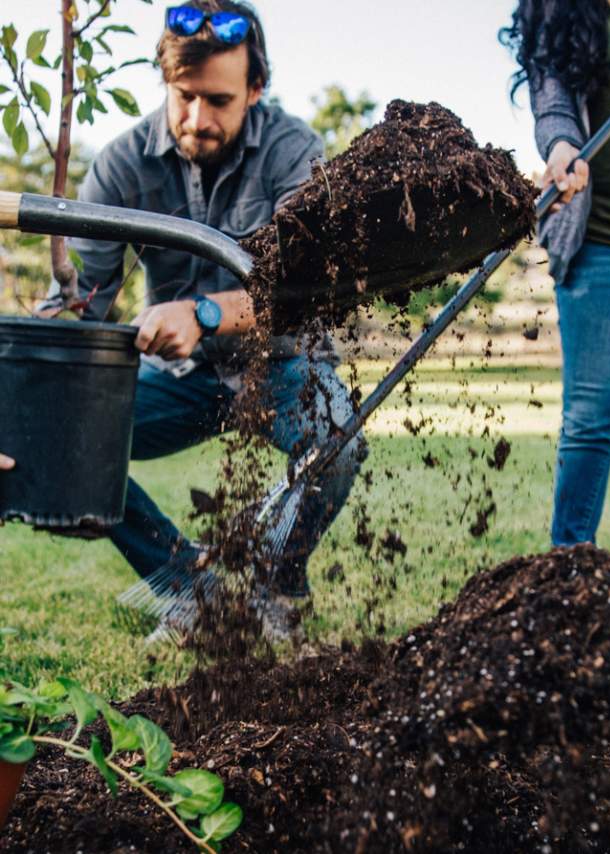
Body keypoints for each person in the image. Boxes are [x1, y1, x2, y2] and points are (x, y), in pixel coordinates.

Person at [13, 0, 365, 641]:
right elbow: (81, 296)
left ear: (255, 89)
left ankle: (274, 585)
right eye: (183, 96)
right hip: (182, 376)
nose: (197, 120)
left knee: (339, 436)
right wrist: (22, 400)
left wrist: (205, 313)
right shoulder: (121, 165)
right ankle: (188, 588)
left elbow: (308, 291)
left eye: (219, 101)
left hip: (281, 363)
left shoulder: (294, 152)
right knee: (58, 431)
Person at [501, 0, 610, 546]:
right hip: (602, 240)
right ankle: (569, 568)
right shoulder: (561, 8)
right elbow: (554, 104)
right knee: (590, 420)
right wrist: (562, 149)